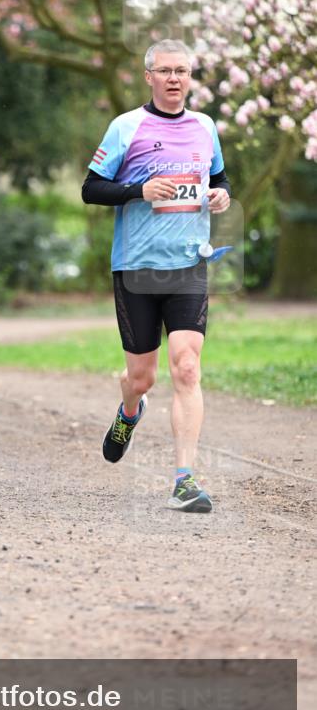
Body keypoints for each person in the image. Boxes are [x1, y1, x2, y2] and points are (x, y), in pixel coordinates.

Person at [82, 39, 231, 514]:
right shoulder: (127, 127)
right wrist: (138, 190)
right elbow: (90, 189)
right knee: (141, 378)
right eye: (164, 71)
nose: (174, 79)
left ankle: (184, 480)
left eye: (182, 71)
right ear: (148, 76)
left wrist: (221, 196)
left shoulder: (206, 127)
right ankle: (130, 410)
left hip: (188, 263)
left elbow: (220, 179)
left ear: (190, 77)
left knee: (187, 367)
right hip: (137, 267)